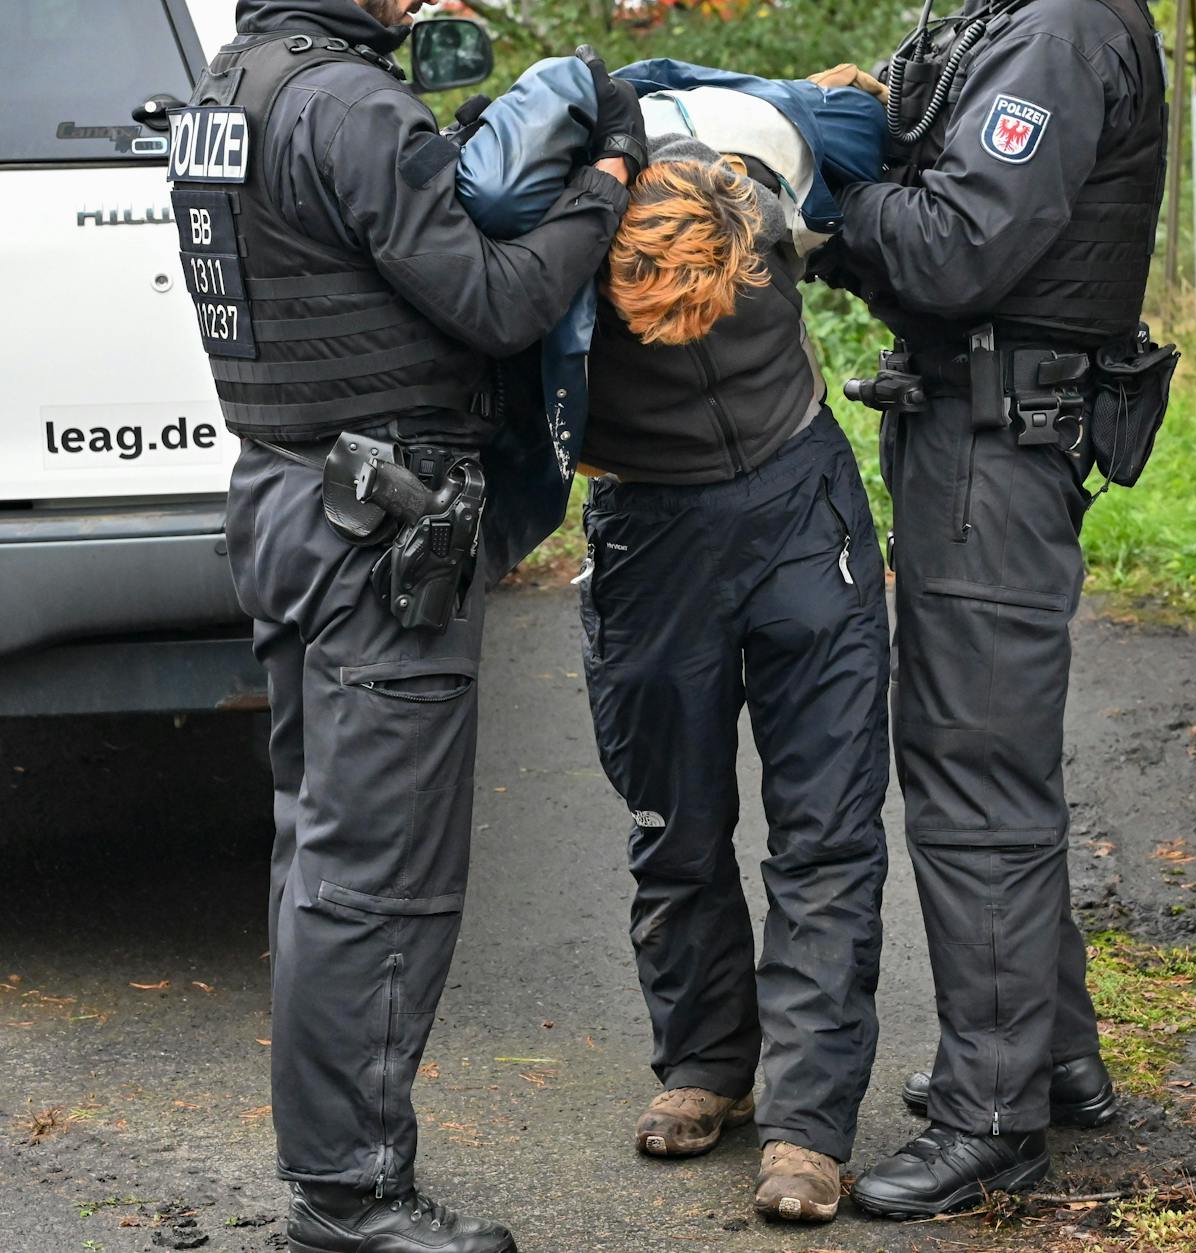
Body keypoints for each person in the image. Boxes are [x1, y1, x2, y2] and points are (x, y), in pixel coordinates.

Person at [166, 3, 637, 1250]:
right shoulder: (351, 104)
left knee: (319, 855)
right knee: (379, 874)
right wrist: (604, 182)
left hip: (284, 492)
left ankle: (333, 1168)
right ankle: (350, 1189)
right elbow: (496, 304)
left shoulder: (236, 85)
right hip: (379, 526)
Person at [450, 57, 892, 1224]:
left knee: (826, 831)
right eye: (639, 301)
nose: (665, 313)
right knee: (675, 825)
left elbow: (861, 122)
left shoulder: (760, 154)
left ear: (743, 249)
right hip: (650, 531)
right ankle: (704, 1063)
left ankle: (807, 1124)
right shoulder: (531, 218)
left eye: (694, 290)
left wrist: (825, 92)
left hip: (803, 508)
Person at [811, 0, 1173, 1218]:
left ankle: (991, 1116)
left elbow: (957, 245)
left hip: (997, 437)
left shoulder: (1056, 30)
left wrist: (812, 203)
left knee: (974, 773)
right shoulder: (1011, 18)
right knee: (991, 752)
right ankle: (1052, 1055)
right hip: (981, 423)